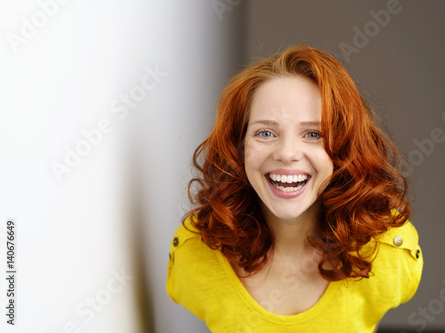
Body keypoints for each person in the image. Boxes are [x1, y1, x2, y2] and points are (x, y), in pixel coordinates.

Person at [166, 45, 423, 332]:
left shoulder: (389, 252)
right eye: (265, 133)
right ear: (238, 147)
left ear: (345, 148)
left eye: (313, 134)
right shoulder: (194, 251)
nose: (287, 153)